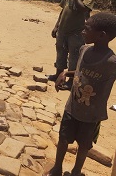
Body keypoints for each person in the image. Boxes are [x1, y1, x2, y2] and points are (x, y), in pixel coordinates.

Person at [44, 12, 116, 176]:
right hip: (72, 107)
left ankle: (76, 172)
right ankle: (57, 168)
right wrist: (66, 74)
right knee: (63, 139)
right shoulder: (84, 50)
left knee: (84, 146)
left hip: (92, 115)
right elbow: (81, 71)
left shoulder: (111, 62)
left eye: (87, 28)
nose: (83, 31)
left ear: (101, 35)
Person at [47, 0, 95, 90]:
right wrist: (56, 26)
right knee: (60, 52)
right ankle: (58, 74)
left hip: (77, 32)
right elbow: (63, 10)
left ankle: (71, 81)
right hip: (63, 29)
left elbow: (83, 9)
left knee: (74, 56)